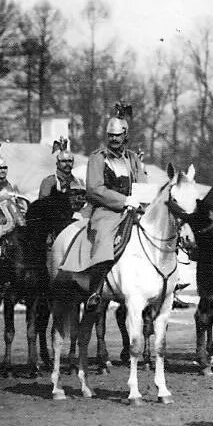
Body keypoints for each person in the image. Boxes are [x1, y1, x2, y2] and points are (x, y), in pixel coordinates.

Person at [57, 103, 147, 304]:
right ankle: (95, 290)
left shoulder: (133, 159)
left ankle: (165, 287)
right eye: (111, 136)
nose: (114, 139)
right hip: (106, 210)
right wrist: (123, 200)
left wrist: (140, 200)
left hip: (134, 209)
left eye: (118, 135)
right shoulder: (98, 158)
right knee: (104, 237)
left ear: (126, 135)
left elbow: (142, 183)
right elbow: (95, 189)